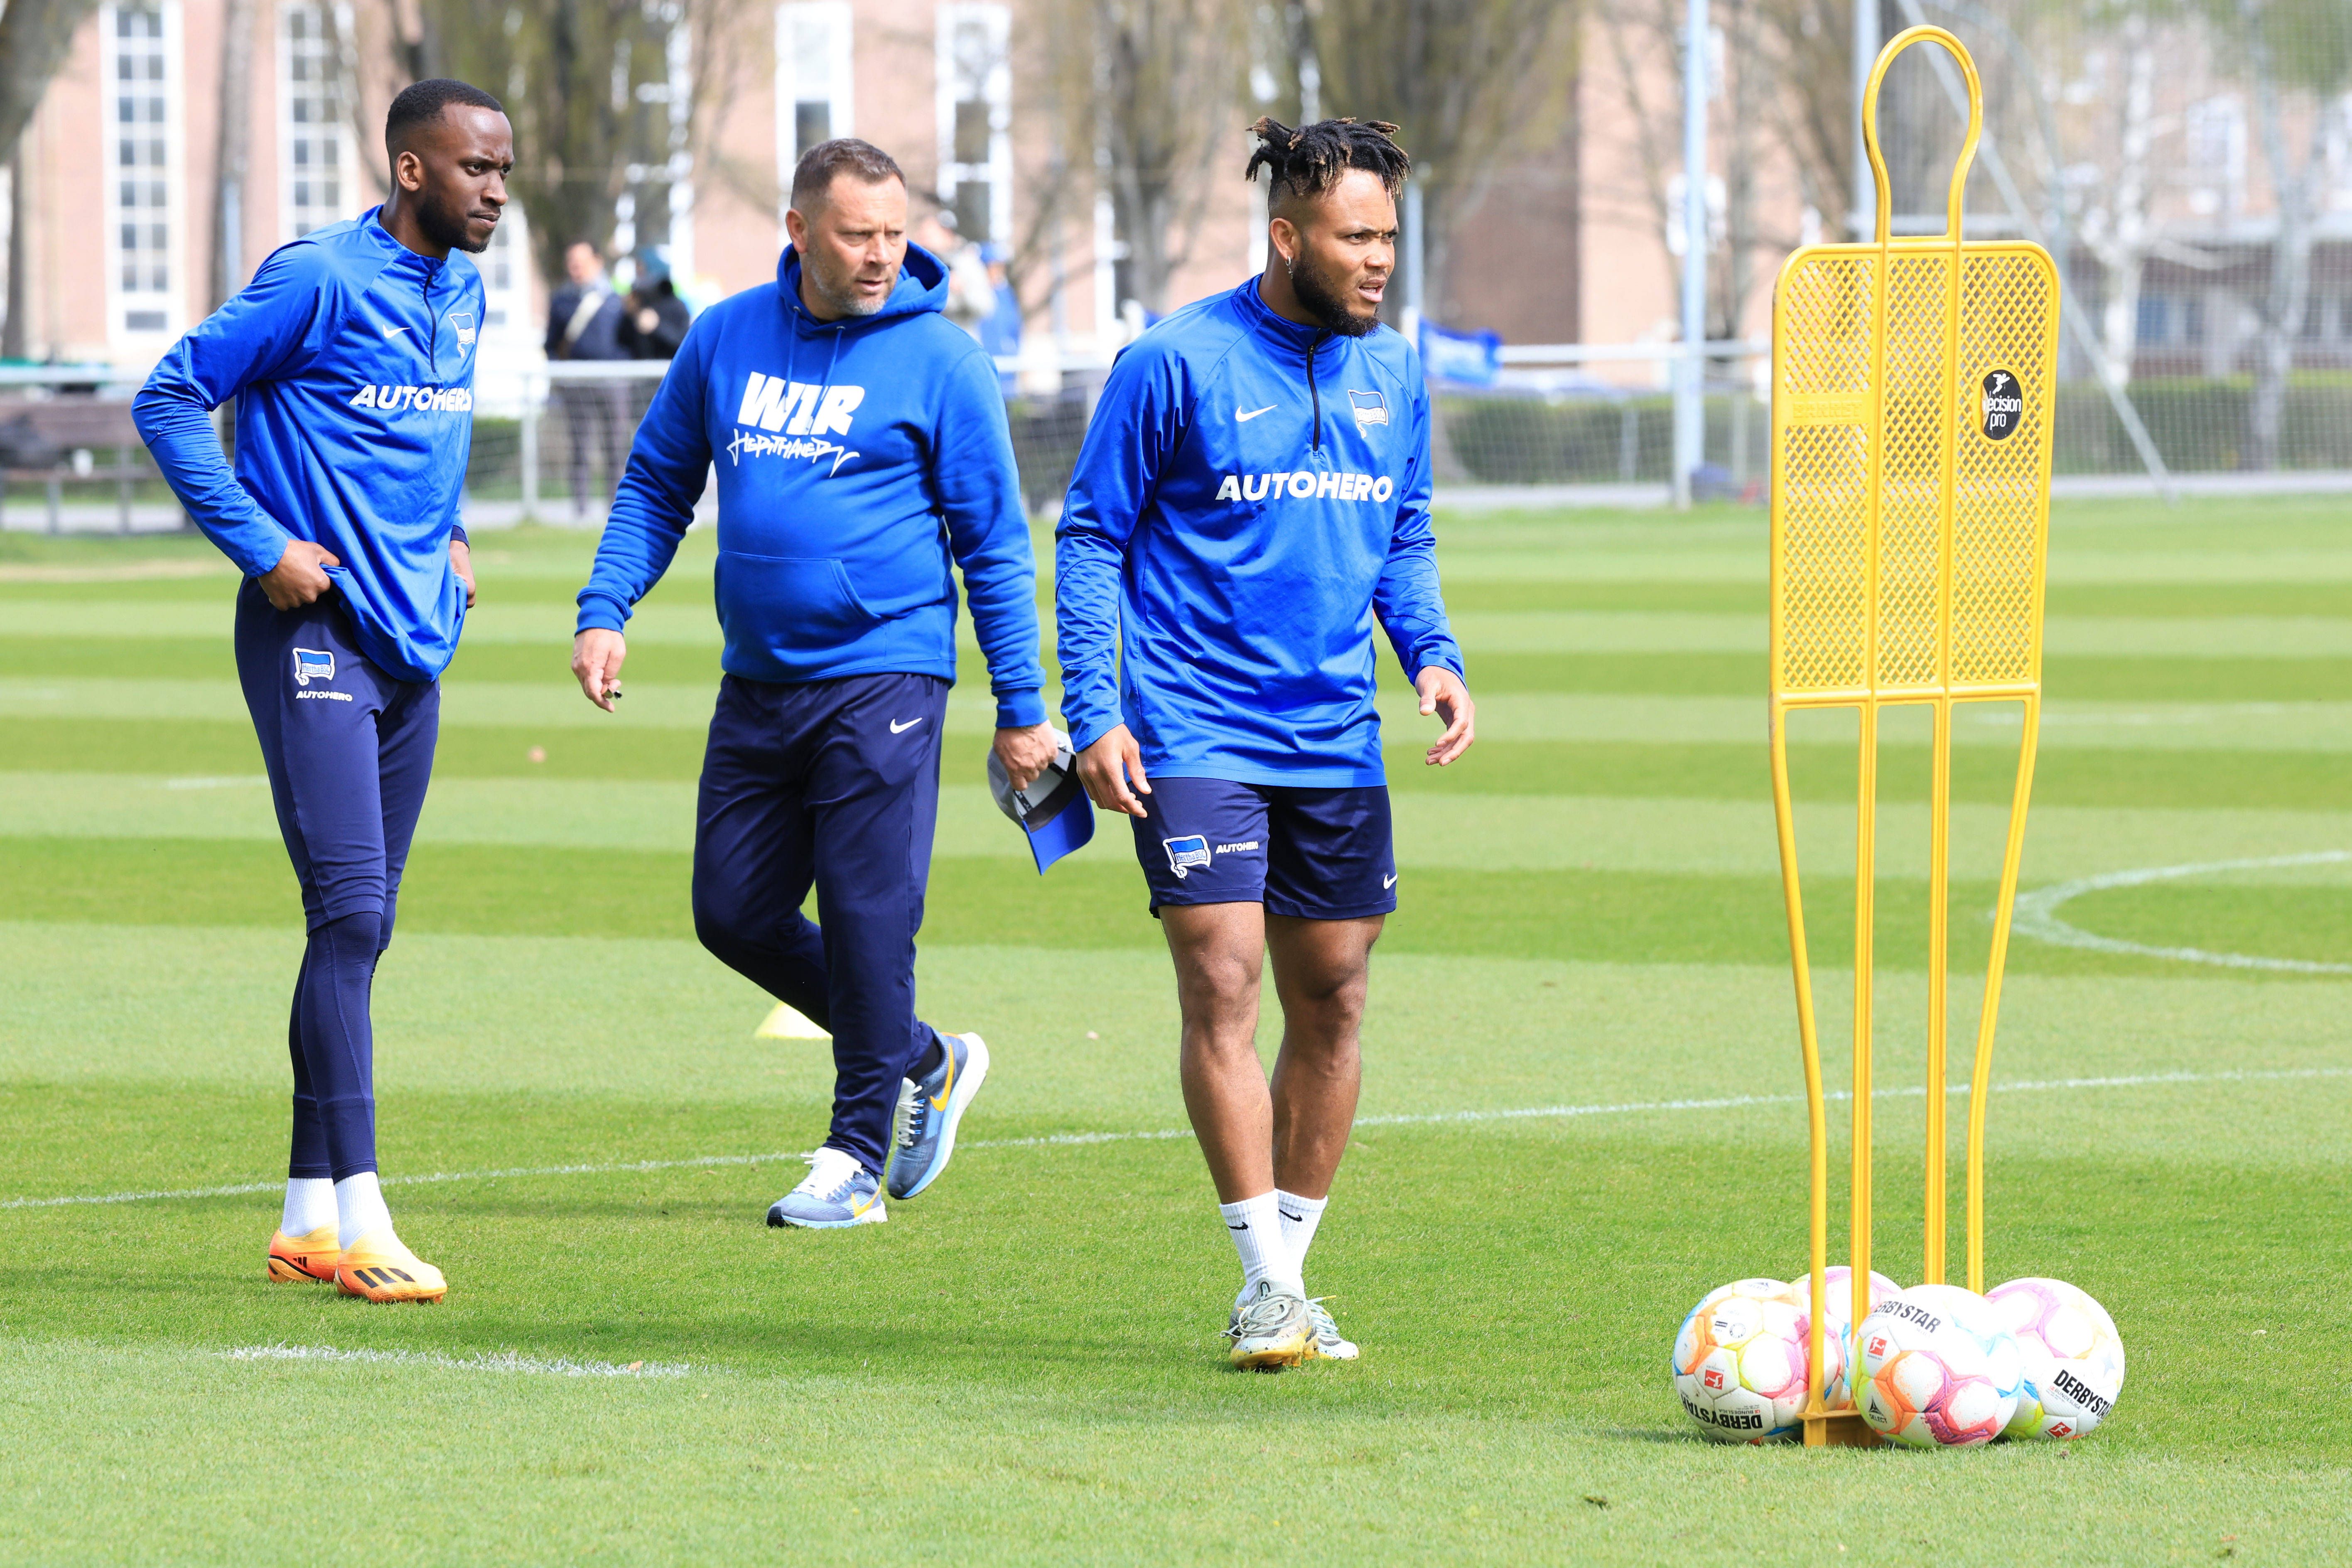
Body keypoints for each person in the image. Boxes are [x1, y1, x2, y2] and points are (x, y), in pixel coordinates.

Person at [570, 138, 1056, 1229]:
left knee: (866, 912)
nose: (881, 255)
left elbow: (993, 545)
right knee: (730, 910)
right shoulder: (725, 335)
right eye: (856, 234)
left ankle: (852, 1154)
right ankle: (927, 1055)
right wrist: (605, 607)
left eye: (894, 234)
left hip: (885, 669)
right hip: (757, 681)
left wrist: (1023, 708)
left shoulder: (942, 361)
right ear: (798, 232)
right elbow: (657, 481)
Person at [1056, 117, 1475, 1369]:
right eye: (1355, 237)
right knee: (1223, 979)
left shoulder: (1395, 370)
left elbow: (1405, 533)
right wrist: (1096, 710)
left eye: (1390, 237)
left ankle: (1292, 1273)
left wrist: (1434, 656)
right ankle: (1263, 1285)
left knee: (1335, 995)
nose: (1378, 259)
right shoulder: (1172, 363)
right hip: (1194, 728)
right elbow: (1090, 540)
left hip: (1337, 736)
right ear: (1286, 234)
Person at [131, 78, 511, 1304]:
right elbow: (170, 397)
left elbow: (424, 450)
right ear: (411, 170)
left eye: (504, 169)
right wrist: (261, 545)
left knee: (363, 927)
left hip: (415, 647)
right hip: (314, 635)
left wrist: (449, 538)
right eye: (474, 169)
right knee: (351, 917)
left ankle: (302, 1214)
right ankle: (363, 1214)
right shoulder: (317, 280)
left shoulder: (468, 287)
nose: (496, 191)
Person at [544, 239, 630, 517]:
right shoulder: (561, 302)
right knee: (580, 448)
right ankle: (580, 512)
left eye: (581, 263)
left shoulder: (619, 300)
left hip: (614, 384)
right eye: (572, 263)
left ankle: (615, 511)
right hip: (577, 386)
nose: (575, 269)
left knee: (616, 448)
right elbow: (552, 344)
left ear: (597, 262)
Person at [619, 252, 691, 361]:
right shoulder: (638, 304)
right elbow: (622, 343)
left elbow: (684, 344)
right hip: (639, 372)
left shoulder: (676, 306)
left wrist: (657, 326)